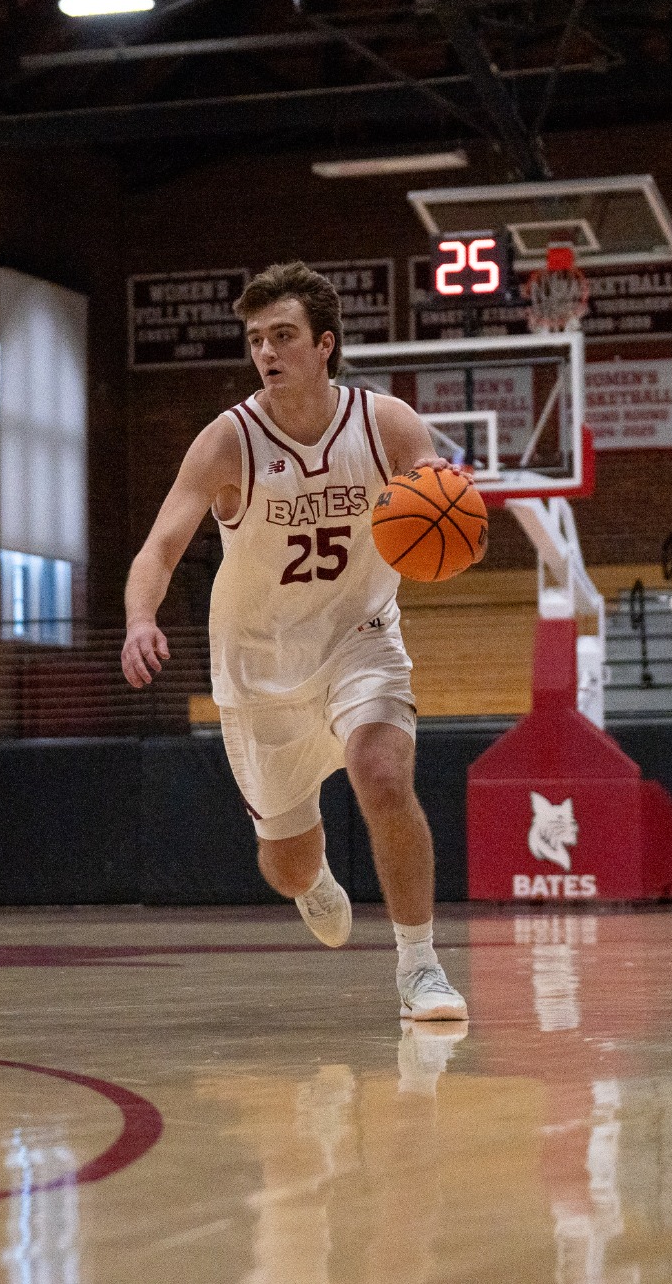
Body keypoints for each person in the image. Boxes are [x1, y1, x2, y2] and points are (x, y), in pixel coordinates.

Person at [120, 261, 468, 1022]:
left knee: (381, 775)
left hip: (360, 638)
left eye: (283, 335)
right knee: (286, 863)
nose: (267, 352)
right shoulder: (228, 442)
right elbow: (159, 546)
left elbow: (441, 495)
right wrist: (140, 617)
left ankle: (421, 966)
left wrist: (452, 520)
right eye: (255, 340)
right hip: (258, 667)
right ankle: (314, 879)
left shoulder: (386, 424)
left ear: (324, 345)